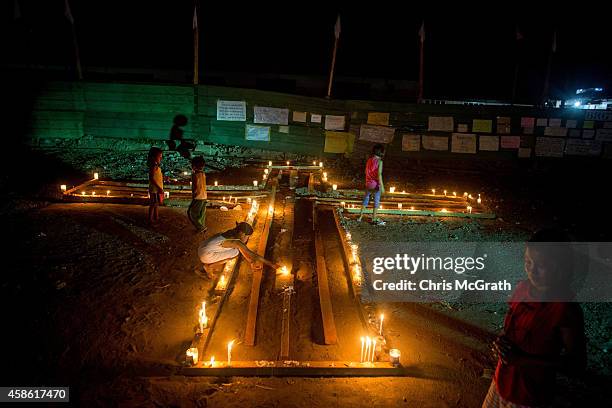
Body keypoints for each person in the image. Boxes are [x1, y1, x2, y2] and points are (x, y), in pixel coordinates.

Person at [482, 228, 586, 408]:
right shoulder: (522, 289)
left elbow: (576, 365)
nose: (532, 270)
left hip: (530, 395)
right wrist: (502, 342)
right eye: (528, 262)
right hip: (502, 383)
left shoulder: (565, 309)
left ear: (559, 267)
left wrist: (523, 360)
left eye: (541, 265)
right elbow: (511, 329)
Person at [197, 222, 280, 279]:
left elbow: (242, 249)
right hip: (205, 255)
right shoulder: (235, 241)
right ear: (242, 233)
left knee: (236, 250)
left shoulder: (230, 233)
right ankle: (209, 266)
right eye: (247, 236)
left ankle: (208, 265)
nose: (247, 239)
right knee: (235, 253)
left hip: (201, 248)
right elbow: (252, 254)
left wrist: (251, 262)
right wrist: (271, 264)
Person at [358, 144, 386, 225]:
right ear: (381, 153)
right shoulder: (380, 162)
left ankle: (360, 217)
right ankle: (374, 218)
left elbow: (365, 171)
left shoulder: (369, 160)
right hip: (376, 185)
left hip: (368, 183)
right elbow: (379, 174)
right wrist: (382, 187)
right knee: (376, 202)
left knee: (366, 199)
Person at [188, 156, 207, 233]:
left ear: (194, 166)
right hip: (204, 196)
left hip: (198, 197)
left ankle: (200, 227)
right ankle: (202, 226)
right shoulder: (203, 174)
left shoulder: (194, 175)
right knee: (201, 214)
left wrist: (194, 194)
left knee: (191, 213)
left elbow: (195, 186)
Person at [147, 147, 164, 224]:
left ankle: (156, 217)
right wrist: (158, 187)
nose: (161, 158)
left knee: (155, 204)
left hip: (156, 189)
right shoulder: (153, 166)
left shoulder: (156, 165)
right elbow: (151, 178)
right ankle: (150, 219)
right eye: (159, 156)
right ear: (153, 157)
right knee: (153, 204)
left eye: (161, 156)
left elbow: (156, 176)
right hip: (154, 189)